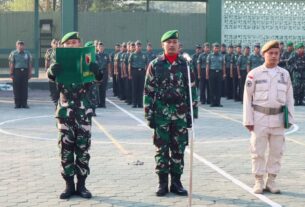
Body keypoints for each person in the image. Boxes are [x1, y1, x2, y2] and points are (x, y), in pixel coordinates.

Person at [47, 32, 102, 199]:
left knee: (83, 149)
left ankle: (82, 185)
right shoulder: (57, 61)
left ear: (80, 44)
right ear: (63, 46)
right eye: (68, 43)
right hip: (65, 111)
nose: (72, 45)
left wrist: (97, 71)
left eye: (75, 42)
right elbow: (51, 79)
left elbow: (98, 80)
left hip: (83, 112)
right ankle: (69, 185)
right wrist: (51, 71)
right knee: (65, 149)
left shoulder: (88, 59)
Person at [144, 30, 198, 197]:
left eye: (175, 41)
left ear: (178, 45)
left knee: (178, 149)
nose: (172, 44)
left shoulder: (186, 65)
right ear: (163, 45)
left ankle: (176, 183)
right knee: (161, 149)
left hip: (180, 115)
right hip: (161, 114)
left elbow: (192, 90)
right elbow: (148, 91)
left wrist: (192, 115)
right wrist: (149, 114)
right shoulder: (155, 64)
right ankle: (162, 184)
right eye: (169, 42)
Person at [243, 40, 295, 194]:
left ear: (280, 55)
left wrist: (290, 119)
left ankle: (271, 180)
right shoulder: (254, 74)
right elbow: (247, 98)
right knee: (257, 150)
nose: (273, 56)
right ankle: (258, 180)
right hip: (259, 117)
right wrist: (248, 120)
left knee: (276, 151)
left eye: (276, 53)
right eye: (270, 53)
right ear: (264, 54)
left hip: (278, 118)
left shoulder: (284, 74)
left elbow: (289, 98)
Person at [9, 40, 32, 108]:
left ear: (24, 46)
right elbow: (11, 64)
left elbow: (29, 64)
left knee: (24, 88)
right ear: (16, 46)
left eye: (22, 45)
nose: (21, 46)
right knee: (16, 88)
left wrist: (30, 73)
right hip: (17, 72)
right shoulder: (13, 53)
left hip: (25, 71)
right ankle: (17, 104)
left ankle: (24, 103)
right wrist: (11, 73)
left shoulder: (27, 53)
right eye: (19, 45)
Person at [128, 40, 147, 108]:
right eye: (137, 46)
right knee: (134, 88)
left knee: (141, 88)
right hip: (134, 71)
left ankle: (140, 103)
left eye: (140, 46)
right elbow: (129, 65)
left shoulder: (144, 55)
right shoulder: (132, 54)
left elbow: (146, 65)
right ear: (135, 46)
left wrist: (146, 74)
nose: (138, 47)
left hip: (142, 71)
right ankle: (134, 103)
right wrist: (130, 74)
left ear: (141, 47)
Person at [206, 42, 225, 107]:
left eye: (217, 48)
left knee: (219, 88)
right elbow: (208, 65)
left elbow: (223, 65)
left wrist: (224, 73)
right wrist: (207, 74)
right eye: (215, 48)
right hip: (212, 72)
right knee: (212, 88)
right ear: (213, 48)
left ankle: (218, 102)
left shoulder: (221, 56)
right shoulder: (210, 56)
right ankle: (212, 102)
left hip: (219, 73)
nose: (216, 49)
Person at [45, 39, 59, 107]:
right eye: (54, 43)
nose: (56, 44)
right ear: (51, 44)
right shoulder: (49, 51)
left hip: (60, 70)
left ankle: (59, 98)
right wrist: (46, 69)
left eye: (57, 43)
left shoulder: (61, 50)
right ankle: (54, 98)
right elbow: (47, 60)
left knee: (59, 85)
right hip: (52, 70)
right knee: (52, 84)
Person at [95, 41, 110, 108]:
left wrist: (109, 73)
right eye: (99, 46)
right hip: (98, 72)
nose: (101, 48)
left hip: (104, 72)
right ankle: (98, 103)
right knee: (97, 89)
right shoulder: (95, 55)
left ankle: (103, 103)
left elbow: (108, 65)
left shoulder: (106, 55)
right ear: (97, 47)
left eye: (102, 46)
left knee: (103, 89)